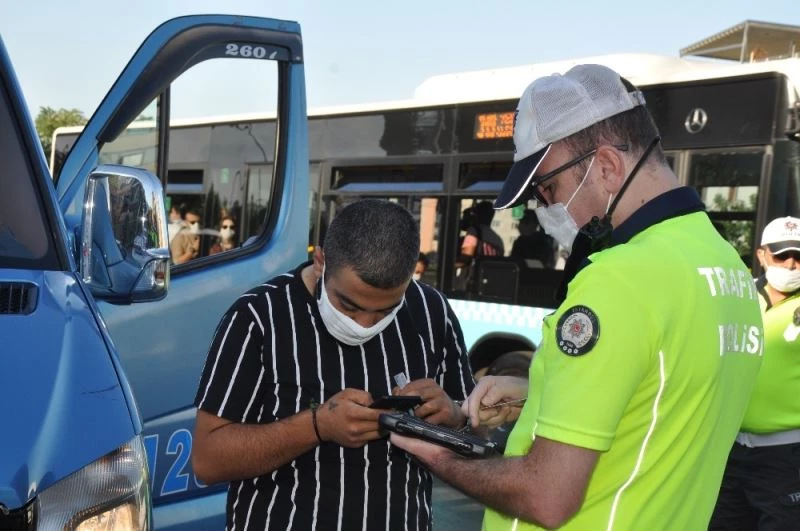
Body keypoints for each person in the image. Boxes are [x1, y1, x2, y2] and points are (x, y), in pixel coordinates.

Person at [390, 64, 763, 530]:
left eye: (549, 188)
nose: (546, 209)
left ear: (606, 166)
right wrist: (540, 395)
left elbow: (547, 497)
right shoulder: (727, 266)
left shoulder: (618, 279)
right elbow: (662, 403)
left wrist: (440, 457)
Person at [191, 199, 474, 530]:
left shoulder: (431, 312)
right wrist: (316, 426)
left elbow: (474, 434)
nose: (366, 324)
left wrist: (454, 419)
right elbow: (208, 460)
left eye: (386, 311)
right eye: (350, 306)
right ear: (321, 260)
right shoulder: (259, 317)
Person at [710, 216, 800, 530]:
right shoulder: (738, 296)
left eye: (799, 257)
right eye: (781, 254)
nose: (790, 264)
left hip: (787, 458)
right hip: (729, 451)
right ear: (761, 255)